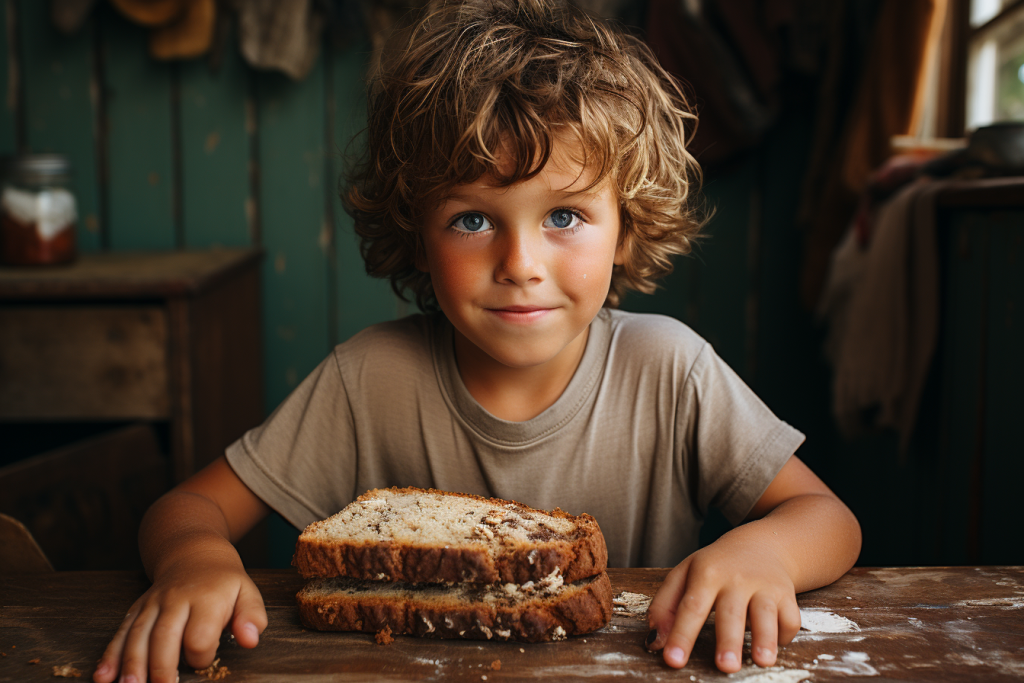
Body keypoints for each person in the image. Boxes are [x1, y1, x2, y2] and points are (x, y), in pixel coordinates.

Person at [93, 2, 861, 682]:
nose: (520, 265)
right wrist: (195, 559)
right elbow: (188, 505)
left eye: (564, 216)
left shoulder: (669, 366)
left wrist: (766, 552)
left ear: (625, 226)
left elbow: (827, 517)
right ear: (418, 237)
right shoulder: (371, 376)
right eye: (472, 219)